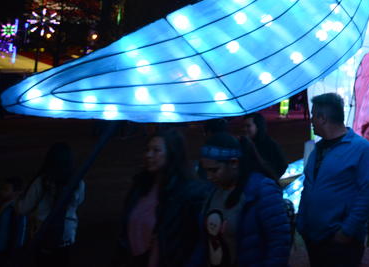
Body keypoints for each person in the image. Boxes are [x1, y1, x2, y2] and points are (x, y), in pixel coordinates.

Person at [297, 93, 369, 266]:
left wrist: (347, 231)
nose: (311, 120)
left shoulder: (362, 149)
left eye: (313, 115)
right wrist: (302, 223)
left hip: (340, 240)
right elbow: (309, 185)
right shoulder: (316, 149)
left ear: (323, 118)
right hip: (314, 236)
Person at [115, 128, 207, 266]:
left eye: (156, 150)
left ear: (172, 153)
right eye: (147, 149)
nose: (149, 155)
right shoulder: (140, 186)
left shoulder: (187, 193)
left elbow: (190, 240)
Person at [197, 133, 291, 266]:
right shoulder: (214, 192)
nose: (209, 177)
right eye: (206, 171)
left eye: (214, 170)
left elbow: (279, 243)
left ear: (234, 163)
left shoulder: (262, 190)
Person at [17, 142, 85, 266]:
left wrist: (18, 199)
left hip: (42, 232)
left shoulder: (42, 181)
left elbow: (23, 208)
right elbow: (79, 202)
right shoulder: (78, 182)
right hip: (66, 234)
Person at [0, 176, 28, 266]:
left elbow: (17, 233)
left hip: (8, 251)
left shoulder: (15, 210)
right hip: (0, 249)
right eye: (2, 188)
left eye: (6, 189)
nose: (2, 191)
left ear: (17, 192)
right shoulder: (4, 205)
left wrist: (12, 252)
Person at [243, 112, 288, 179]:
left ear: (258, 126)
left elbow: (283, 165)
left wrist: (271, 179)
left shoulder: (270, 144)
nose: (245, 129)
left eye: (248, 126)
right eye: (244, 126)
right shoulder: (246, 143)